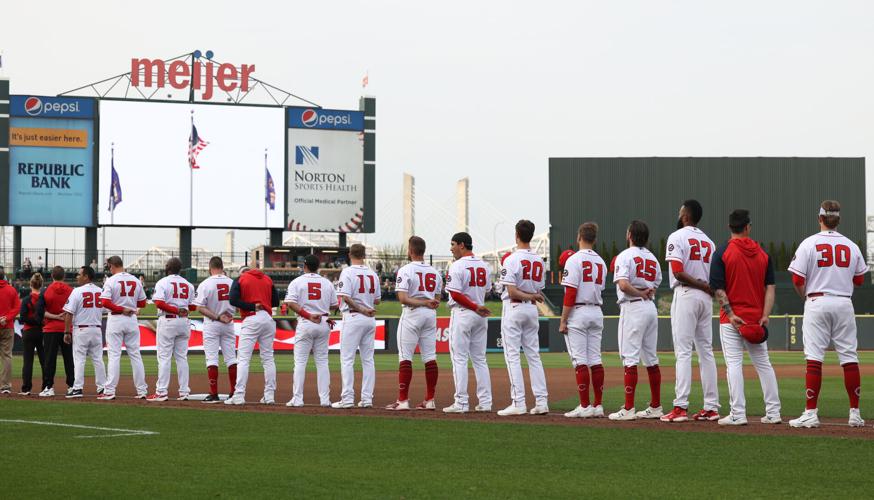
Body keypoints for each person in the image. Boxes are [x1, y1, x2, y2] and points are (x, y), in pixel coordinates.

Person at [788, 200, 868, 428]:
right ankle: (855, 413)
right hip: (844, 302)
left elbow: (796, 279)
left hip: (817, 300)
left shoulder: (809, 243)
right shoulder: (851, 245)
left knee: (814, 358)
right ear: (838, 219)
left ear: (820, 218)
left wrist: (806, 297)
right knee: (849, 357)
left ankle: (811, 413)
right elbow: (860, 280)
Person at [710, 209, 781, 426]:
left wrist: (731, 314)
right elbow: (770, 287)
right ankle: (773, 413)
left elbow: (718, 288)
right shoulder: (763, 253)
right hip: (755, 320)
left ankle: (738, 414)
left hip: (732, 319)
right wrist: (765, 315)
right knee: (764, 364)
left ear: (730, 227)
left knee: (733, 364)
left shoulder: (722, 252)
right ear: (748, 227)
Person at [661, 200, 721, 423]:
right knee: (706, 351)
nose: (679, 214)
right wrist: (706, 288)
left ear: (686, 215)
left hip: (687, 294)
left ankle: (680, 406)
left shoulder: (677, 236)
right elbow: (714, 278)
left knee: (684, 351)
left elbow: (677, 272)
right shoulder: (709, 241)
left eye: (680, 211)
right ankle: (711, 407)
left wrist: (701, 286)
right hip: (705, 299)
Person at [609, 221, 664, 421]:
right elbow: (655, 285)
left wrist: (639, 293)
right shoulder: (653, 258)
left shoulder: (625, 255)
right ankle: (656, 406)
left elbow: (623, 285)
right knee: (650, 357)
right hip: (650, 308)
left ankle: (629, 408)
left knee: (630, 358)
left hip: (633, 307)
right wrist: (646, 292)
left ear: (630, 234)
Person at [497, 220, 549, 416]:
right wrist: (532, 296)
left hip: (515, 307)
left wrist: (529, 296)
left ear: (516, 235)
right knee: (534, 356)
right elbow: (538, 290)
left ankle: (518, 402)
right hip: (531, 310)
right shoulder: (538, 260)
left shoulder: (511, 259)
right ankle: (542, 402)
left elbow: (511, 292)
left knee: (512, 356)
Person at [386, 236, 443, 411]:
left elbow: (402, 298)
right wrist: (427, 302)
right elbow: (437, 299)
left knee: (405, 357)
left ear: (410, 251)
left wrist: (422, 302)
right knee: (430, 357)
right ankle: (430, 399)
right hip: (430, 315)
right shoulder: (435, 272)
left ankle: (402, 400)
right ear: (423, 251)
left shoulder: (406, 270)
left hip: (412, 313)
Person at [560, 222, 607, 418]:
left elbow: (570, 293)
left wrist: (563, 320)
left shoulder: (574, 260)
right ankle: (597, 405)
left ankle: (584, 405)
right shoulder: (601, 262)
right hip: (596, 310)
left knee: (580, 361)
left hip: (578, 311)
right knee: (595, 360)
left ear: (579, 237)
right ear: (594, 239)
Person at [443, 232, 493, 414]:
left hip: (464, 312)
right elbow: (487, 290)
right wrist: (477, 305)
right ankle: (486, 402)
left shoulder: (457, 266)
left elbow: (455, 294)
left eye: (453, 244)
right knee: (480, 359)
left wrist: (472, 306)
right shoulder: (484, 265)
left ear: (462, 245)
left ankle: (461, 402)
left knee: (459, 359)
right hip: (479, 313)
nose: (451, 248)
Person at [284, 255, 338, 408]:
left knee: (300, 362)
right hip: (323, 322)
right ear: (318, 267)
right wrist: (321, 306)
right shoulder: (327, 282)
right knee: (322, 362)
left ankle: (298, 399)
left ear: (304, 266)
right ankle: (325, 400)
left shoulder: (297, 282)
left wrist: (308, 313)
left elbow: (290, 303)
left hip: (306, 321)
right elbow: (335, 305)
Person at [333, 244, 381, 409]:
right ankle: (367, 399)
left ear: (349, 254)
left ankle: (347, 398)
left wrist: (360, 307)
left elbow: (345, 297)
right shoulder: (373, 274)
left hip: (353, 316)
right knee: (368, 360)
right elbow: (377, 300)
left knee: (347, 359)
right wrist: (365, 303)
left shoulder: (347, 272)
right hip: (369, 318)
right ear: (364, 255)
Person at [226, 264, 280, 405]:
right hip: (267, 319)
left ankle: (239, 395)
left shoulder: (240, 279)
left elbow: (232, 300)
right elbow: (276, 301)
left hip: (251, 317)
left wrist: (251, 305)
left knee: (243, 359)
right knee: (268, 358)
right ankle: (269, 396)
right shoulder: (267, 279)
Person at [99, 255, 148, 400]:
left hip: (116, 319)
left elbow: (105, 302)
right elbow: (143, 303)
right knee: (135, 355)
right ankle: (142, 390)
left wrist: (121, 309)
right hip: (131, 319)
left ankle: (110, 391)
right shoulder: (135, 280)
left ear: (111, 266)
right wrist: (131, 307)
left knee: (114, 355)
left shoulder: (111, 280)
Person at [147, 257, 196, 402]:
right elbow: (193, 306)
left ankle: (161, 392)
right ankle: (184, 392)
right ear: (180, 269)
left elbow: (159, 303)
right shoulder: (188, 284)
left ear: (167, 268)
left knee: (164, 357)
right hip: (184, 322)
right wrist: (182, 309)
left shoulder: (163, 282)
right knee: (182, 357)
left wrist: (175, 309)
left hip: (168, 320)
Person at [192, 256, 237, 403]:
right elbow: (239, 303)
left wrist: (217, 317)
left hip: (213, 322)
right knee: (231, 358)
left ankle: (213, 393)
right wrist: (229, 314)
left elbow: (199, 307)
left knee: (212, 358)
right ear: (222, 267)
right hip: (229, 322)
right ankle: (234, 392)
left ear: (210, 268)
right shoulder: (232, 282)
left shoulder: (205, 283)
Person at [62, 266, 107, 398]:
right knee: (98, 359)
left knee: (79, 360)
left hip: (81, 329)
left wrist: (66, 332)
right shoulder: (101, 291)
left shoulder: (77, 291)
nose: (77, 276)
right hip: (97, 329)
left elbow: (69, 313)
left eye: (79, 274)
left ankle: (77, 388)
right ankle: (102, 388)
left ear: (86, 276)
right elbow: (105, 310)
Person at [37, 266, 75, 397]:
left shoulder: (45, 291)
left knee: (49, 359)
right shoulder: (71, 291)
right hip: (67, 329)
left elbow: (40, 312)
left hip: (50, 329)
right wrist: (63, 317)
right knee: (69, 359)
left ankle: (49, 387)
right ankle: (71, 386)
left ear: (52, 276)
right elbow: (75, 310)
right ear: (64, 276)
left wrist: (55, 316)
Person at [18, 273, 46, 395]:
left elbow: (23, 317)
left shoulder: (26, 300)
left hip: (29, 331)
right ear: (42, 285)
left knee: (28, 361)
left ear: (30, 284)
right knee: (44, 361)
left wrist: (33, 321)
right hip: (42, 331)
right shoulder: (44, 299)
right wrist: (38, 321)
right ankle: (46, 387)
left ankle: (26, 388)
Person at [0, 266, 20, 394]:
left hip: (6, 325)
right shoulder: (11, 290)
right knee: (7, 356)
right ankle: (6, 386)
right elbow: (17, 307)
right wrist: (6, 318)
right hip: (7, 326)